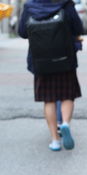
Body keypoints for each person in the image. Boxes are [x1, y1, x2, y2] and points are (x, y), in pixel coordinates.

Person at [18, 0, 83, 151]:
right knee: (67, 96)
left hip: (41, 60)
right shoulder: (65, 4)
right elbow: (78, 27)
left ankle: (55, 140)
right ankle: (65, 123)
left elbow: (22, 32)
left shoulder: (30, 6)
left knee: (49, 100)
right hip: (65, 58)